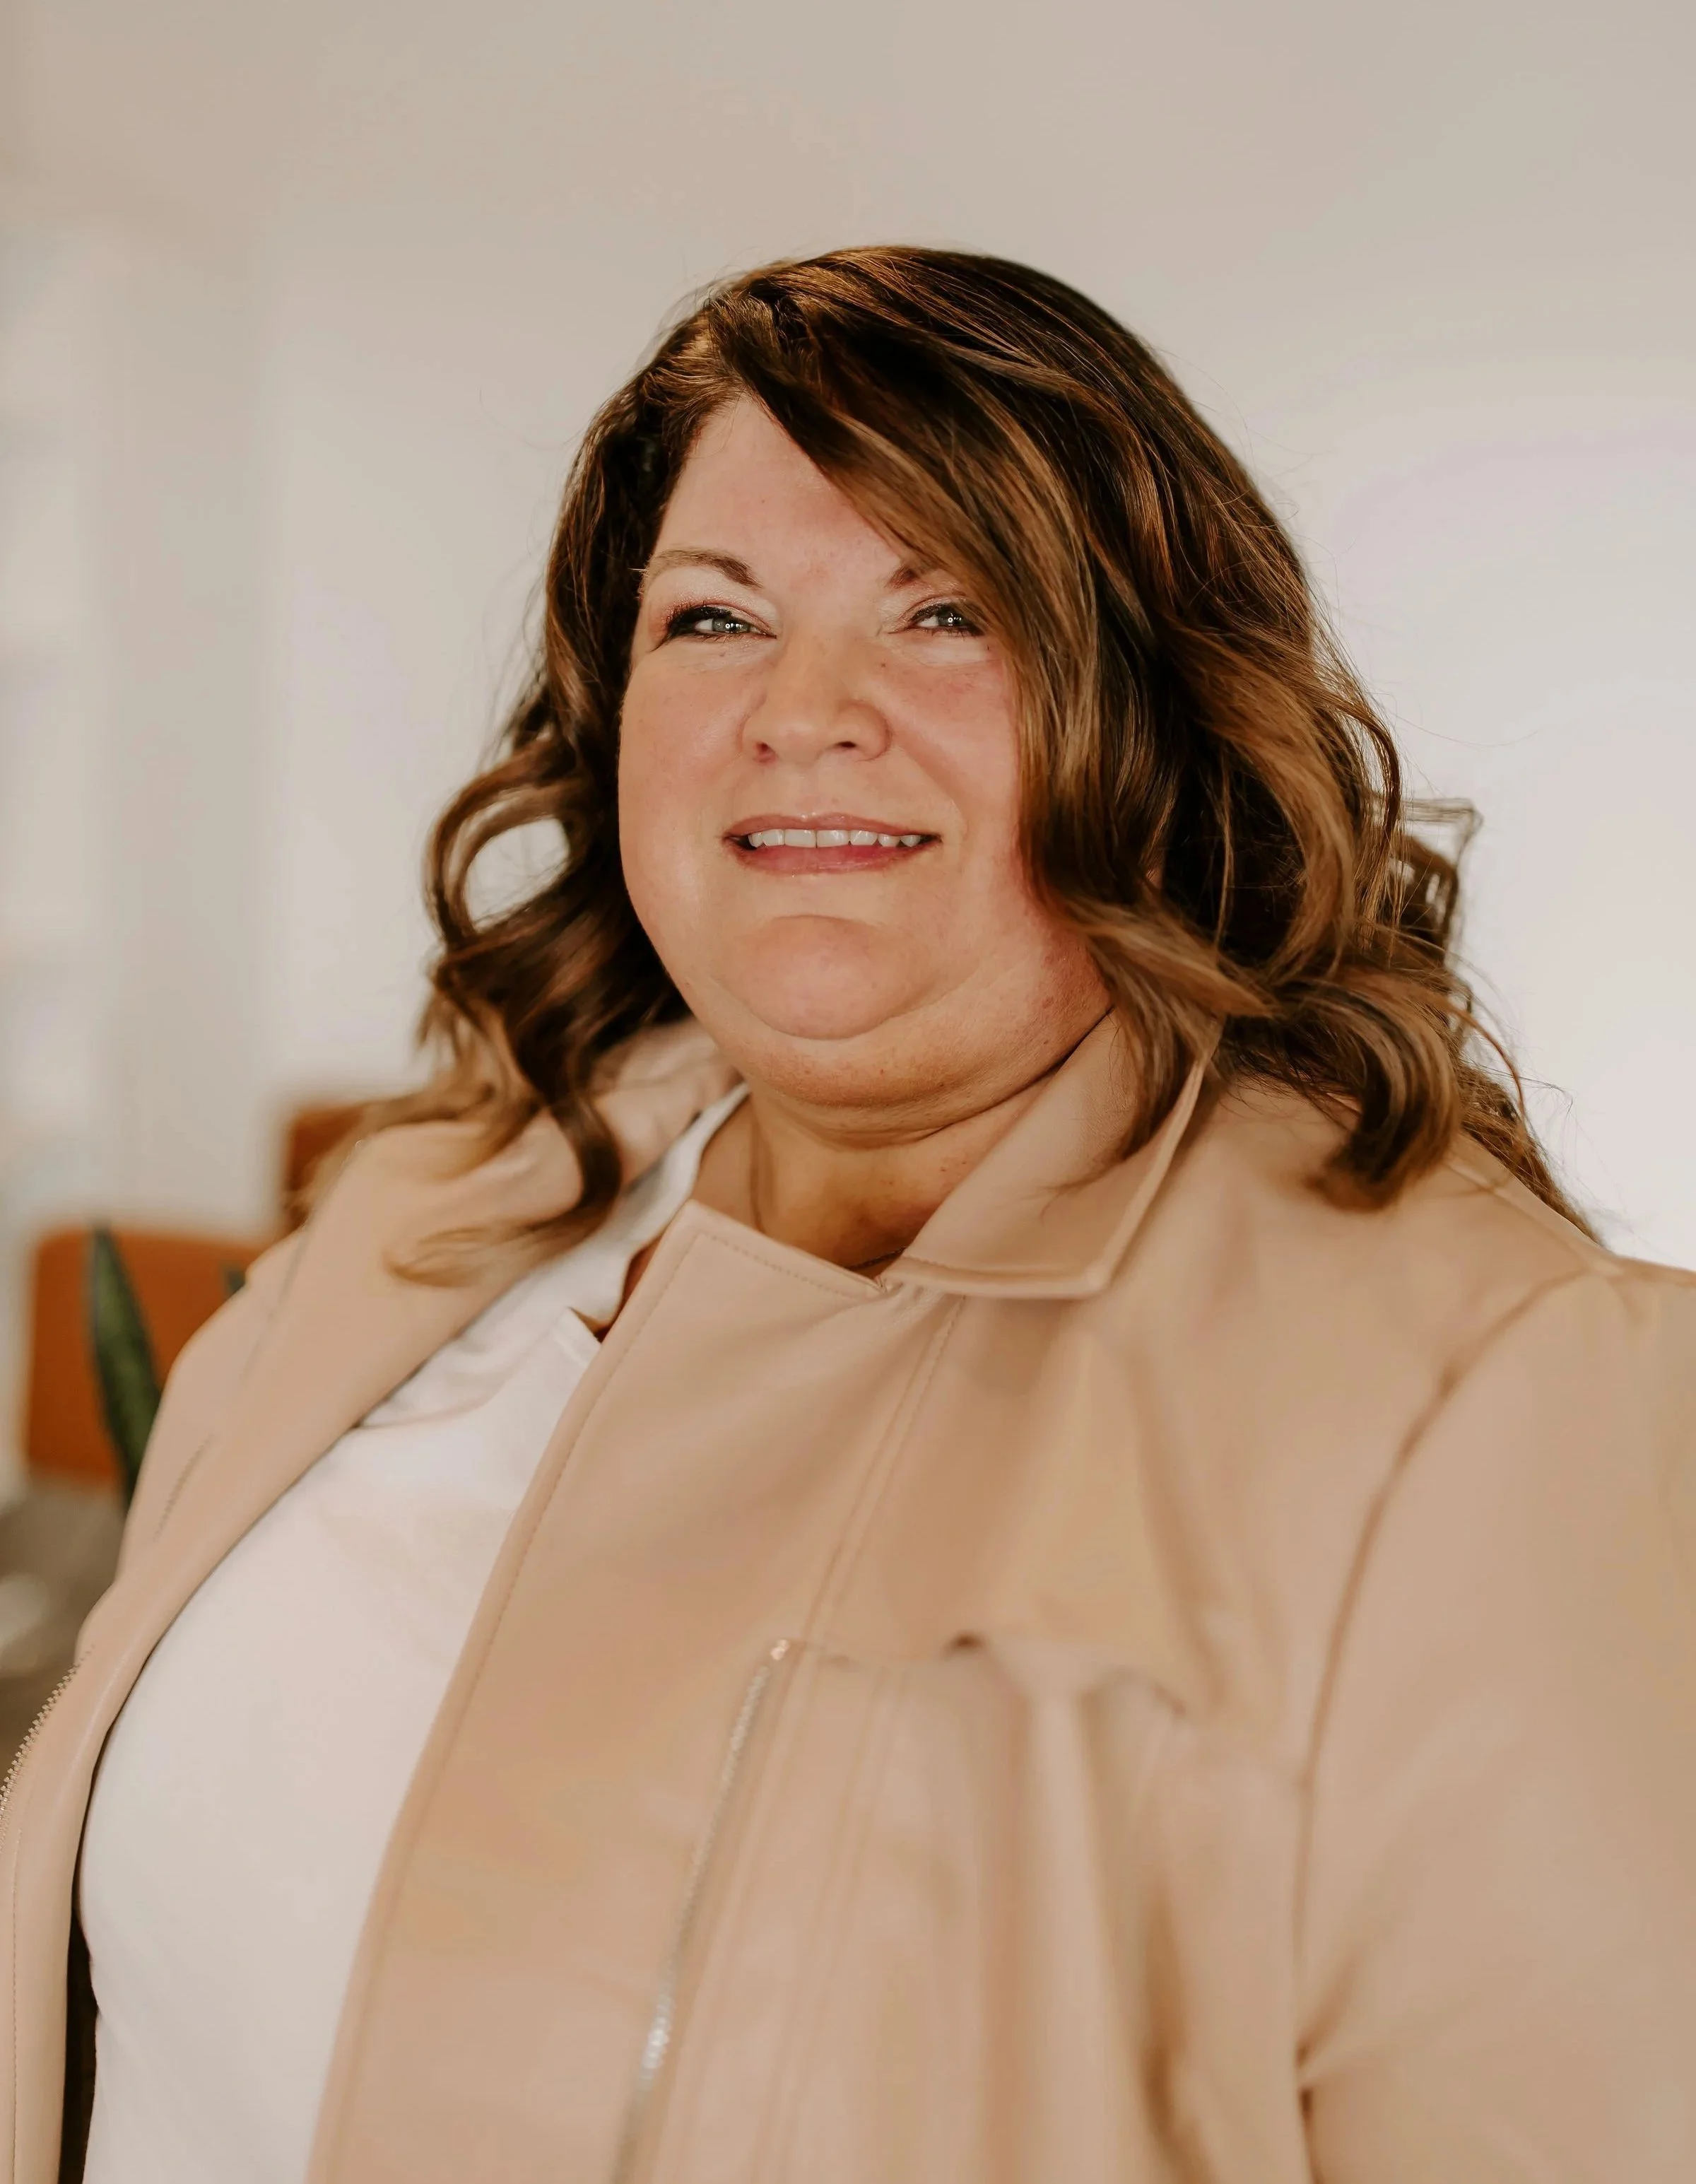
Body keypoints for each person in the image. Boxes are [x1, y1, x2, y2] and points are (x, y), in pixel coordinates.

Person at [4, 247, 1692, 2184]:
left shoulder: (1490, 1397)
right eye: (715, 618)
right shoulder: (445, 1190)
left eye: (946, 610)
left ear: (1154, 705)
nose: (804, 711)